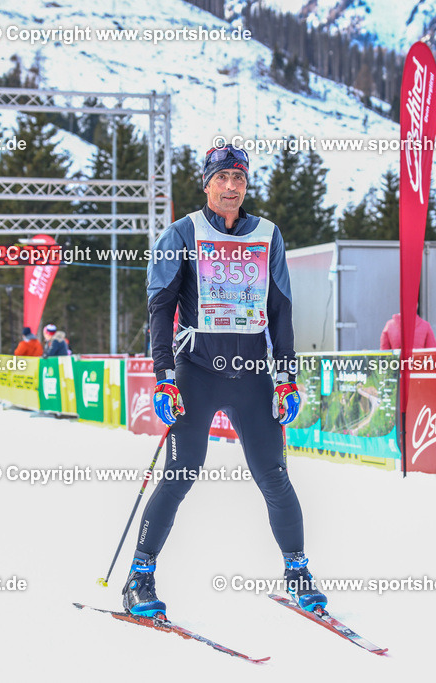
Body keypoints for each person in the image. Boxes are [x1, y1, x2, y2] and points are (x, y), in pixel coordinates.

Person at [122, 142, 326, 618]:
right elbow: (160, 311)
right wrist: (164, 378)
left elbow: (281, 310)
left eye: (239, 178)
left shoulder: (268, 235)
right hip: (197, 372)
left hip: (252, 374)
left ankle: (298, 571)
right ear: (207, 184)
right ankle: (139, 577)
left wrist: (286, 377)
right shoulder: (181, 233)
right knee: (180, 473)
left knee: (274, 476)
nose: (231, 186)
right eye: (222, 178)